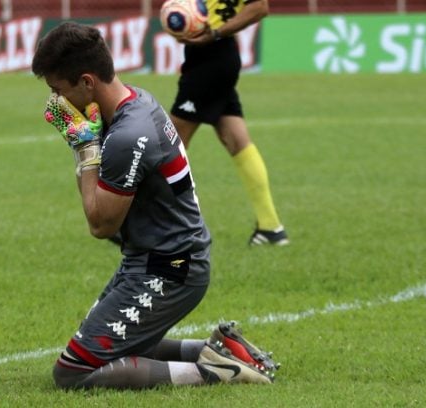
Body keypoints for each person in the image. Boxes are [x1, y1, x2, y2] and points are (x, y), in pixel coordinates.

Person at [31, 21, 279, 390]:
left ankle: (212, 371)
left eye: (59, 91)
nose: (57, 102)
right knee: (121, 348)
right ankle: (220, 349)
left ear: (87, 82)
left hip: (169, 268)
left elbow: (101, 225)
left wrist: (82, 146)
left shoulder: (128, 136)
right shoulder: (137, 100)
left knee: (73, 371)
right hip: (162, 258)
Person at [174, 0, 289, 246]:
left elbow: (260, 7)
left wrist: (215, 33)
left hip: (213, 58)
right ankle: (271, 227)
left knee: (170, 144)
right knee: (237, 141)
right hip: (211, 57)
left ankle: (150, 224)